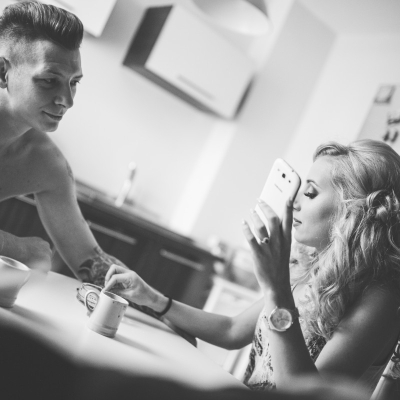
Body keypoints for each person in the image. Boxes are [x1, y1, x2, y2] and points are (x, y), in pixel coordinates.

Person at [104, 139, 400, 396]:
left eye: (309, 193)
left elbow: (304, 394)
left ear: (354, 211)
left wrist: (276, 287)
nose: (293, 202)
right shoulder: (312, 268)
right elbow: (232, 330)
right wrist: (153, 298)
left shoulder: (382, 297)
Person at [0, 1, 125, 284]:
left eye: (74, 83)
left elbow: (90, 259)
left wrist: (159, 302)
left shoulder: (45, 162)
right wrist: (19, 248)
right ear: (2, 72)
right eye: (49, 80)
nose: (67, 100)